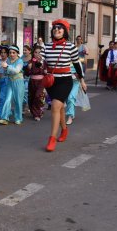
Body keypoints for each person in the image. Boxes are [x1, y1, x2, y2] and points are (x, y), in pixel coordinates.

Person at [41, 19, 86, 152]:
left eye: (59, 28)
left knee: (55, 105)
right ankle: (64, 130)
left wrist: (82, 80)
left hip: (65, 81)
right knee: (59, 108)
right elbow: (41, 60)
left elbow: (77, 64)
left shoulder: (70, 46)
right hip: (51, 81)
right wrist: (36, 63)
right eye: (54, 28)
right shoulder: (47, 46)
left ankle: (52, 138)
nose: (56, 30)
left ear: (65, 31)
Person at [0, 46, 25, 125]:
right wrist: (5, 70)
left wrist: (7, 67)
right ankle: (5, 118)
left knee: (18, 101)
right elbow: (7, 72)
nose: (11, 54)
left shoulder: (20, 61)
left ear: (17, 53)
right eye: (10, 53)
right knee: (7, 99)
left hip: (18, 82)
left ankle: (18, 118)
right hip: (10, 81)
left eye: (14, 53)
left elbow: (16, 70)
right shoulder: (8, 60)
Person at [25, 46, 47, 121]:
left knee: (38, 96)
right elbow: (27, 74)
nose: (37, 54)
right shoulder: (30, 62)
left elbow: (47, 72)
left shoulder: (44, 62)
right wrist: (28, 68)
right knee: (32, 97)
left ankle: (37, 113)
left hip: (41, 82)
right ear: (33, 53)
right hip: (32, 82)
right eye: (36, 52)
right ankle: (34, 112)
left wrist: (45, 72)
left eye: (39, 52)